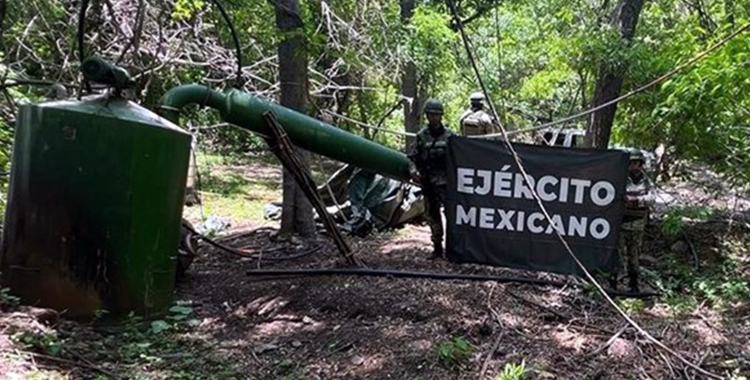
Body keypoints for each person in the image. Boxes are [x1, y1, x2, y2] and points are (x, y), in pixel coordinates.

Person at [408, 99, 455, 259]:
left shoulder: (450, 135)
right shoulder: (421, 136)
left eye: (436, 115)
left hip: (447, 183)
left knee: (452, 215)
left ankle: (453, 248)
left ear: (441, 116)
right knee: (432, 216)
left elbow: (460, 157)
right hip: (429, 182)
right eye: (430, 114)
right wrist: (414, 171)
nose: (433, 118)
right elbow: (412, 157)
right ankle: (437, 248)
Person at [612, 149, 654, 292]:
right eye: (630, 162)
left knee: (634, 256)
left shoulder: (646, 180)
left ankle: (634, 284)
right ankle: (616, 285)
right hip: (621, 223)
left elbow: (652, 199)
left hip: (637, 224)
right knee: (618, 256)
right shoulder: (621, 178)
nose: (632, 165)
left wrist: (636, 200)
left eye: (635, 162)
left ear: (640, 164)